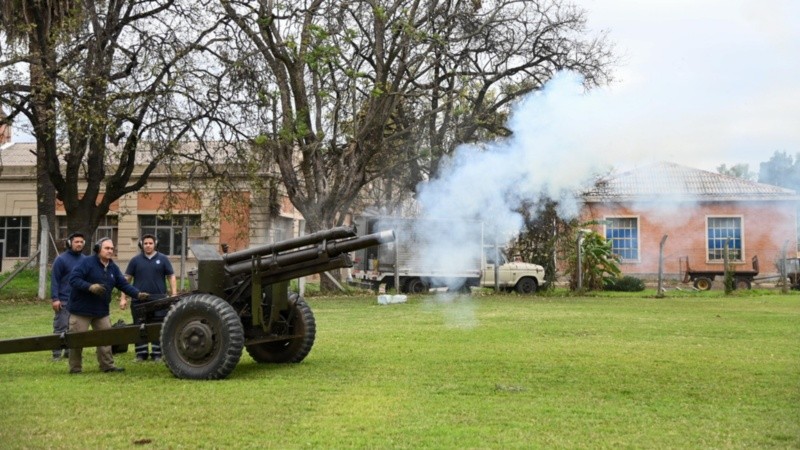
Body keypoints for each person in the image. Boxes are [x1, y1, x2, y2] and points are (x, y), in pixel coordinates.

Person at [67, 237, 149, 374]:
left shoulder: (112, 267)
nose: (110, 251)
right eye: (107, 248)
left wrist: (138, 294)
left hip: (101, 311)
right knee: (77, 340)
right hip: (81, 310)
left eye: (112, 248)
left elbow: (123, 284)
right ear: (98, 249)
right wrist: (90, 287)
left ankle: (107, 366)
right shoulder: (86, 263)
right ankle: (75, 368)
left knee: (106, 339)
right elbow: (73, 279)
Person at [120, 234, 177, 362]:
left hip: (159, 299)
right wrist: (123, 297)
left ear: (155, 244)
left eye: (150, 243)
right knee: (139, 325)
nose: (148, 245)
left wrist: (173, 294)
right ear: (141, 245)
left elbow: (171, 276)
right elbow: (126, 279)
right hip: (139, 300)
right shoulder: (135, 260)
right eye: (145, 243)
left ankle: (157, 353)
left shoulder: (163, 259)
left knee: (157, 325)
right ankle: (141, 353)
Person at [49, 232, 87, 361]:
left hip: (79, 301)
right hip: (64, 300)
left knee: (74, 328)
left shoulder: (85, 260)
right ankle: (56, 354)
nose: (79, 244)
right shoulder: (61, 259)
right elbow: (55, 280)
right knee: (60, 327)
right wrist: (55, 299)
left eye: (81, 242)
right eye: (77, 242)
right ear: (70, 243)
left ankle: (69, 352)